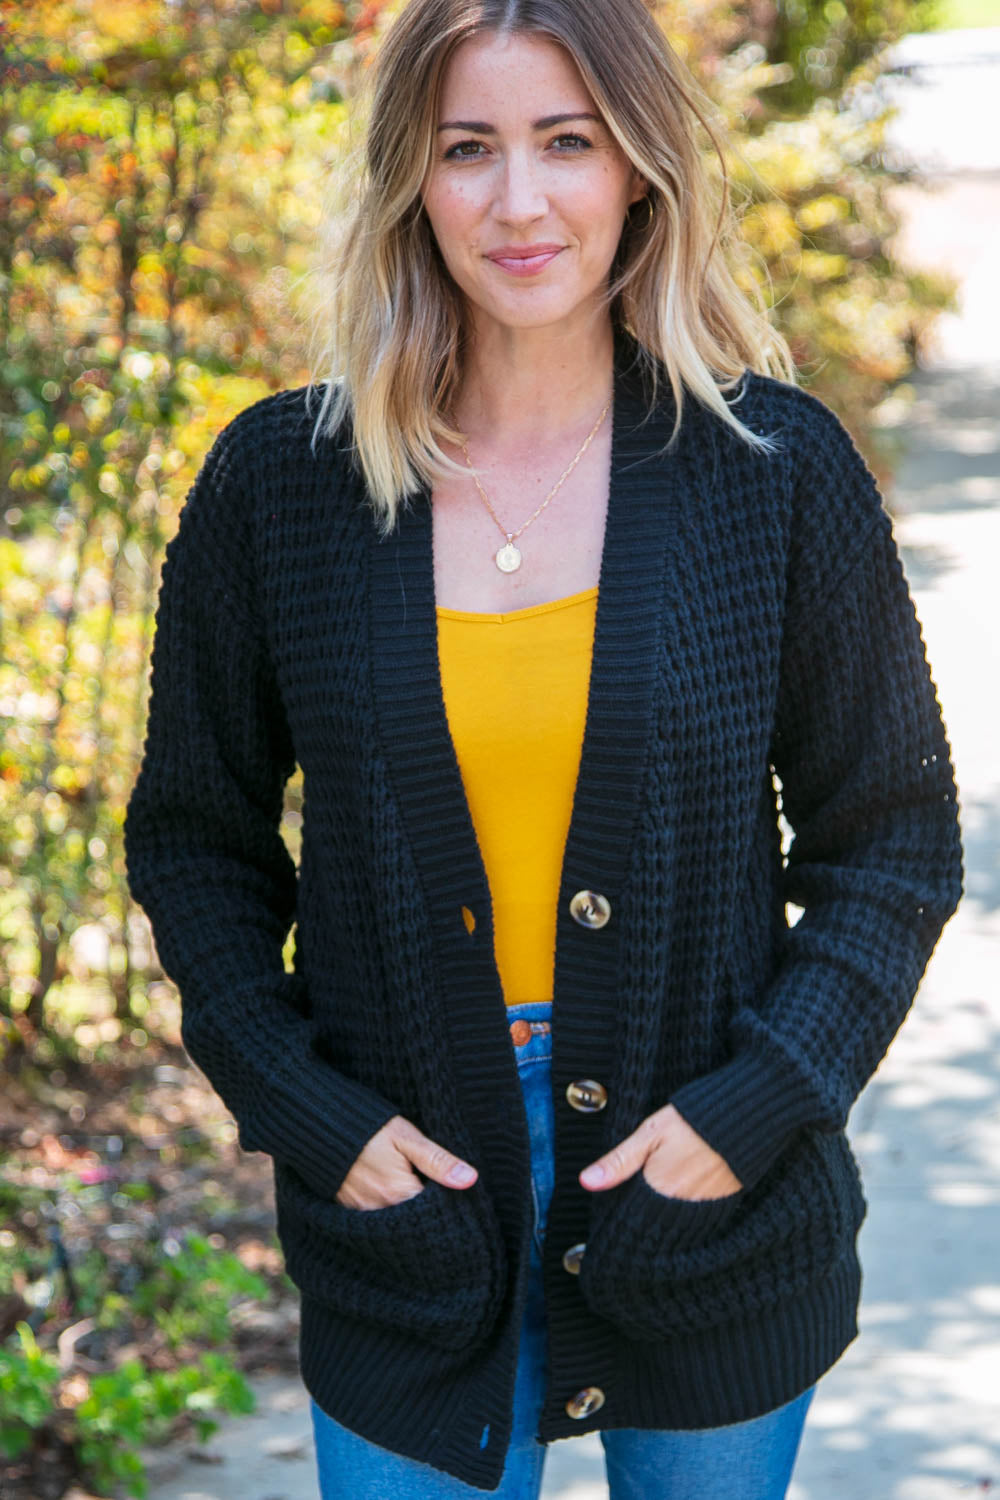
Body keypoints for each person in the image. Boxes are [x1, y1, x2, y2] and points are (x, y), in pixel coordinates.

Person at [122, 0, 964, 1495]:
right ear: (411, 181)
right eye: (469, 150)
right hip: (406, 1219)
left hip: (712, 1208)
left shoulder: (772, 475)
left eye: (566, 143)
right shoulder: (284, 489)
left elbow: (892, 840)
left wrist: (755, 1104)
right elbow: (196, 838)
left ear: (639, 168)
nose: (520, 202)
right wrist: (306, 1110)